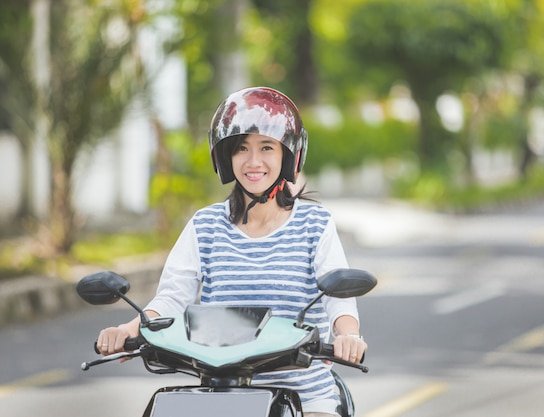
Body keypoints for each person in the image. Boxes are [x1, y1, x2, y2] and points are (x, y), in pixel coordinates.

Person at [96, 86, 367, 417]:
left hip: (304, 399)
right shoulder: (205, 225)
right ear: (227, 157)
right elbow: (170, 298)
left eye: (267, 147)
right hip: (220, 397)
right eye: (241, 149)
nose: (253, 162)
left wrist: (347, 334)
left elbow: (337, 295)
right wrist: (129, 329)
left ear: (288, 155)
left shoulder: (314, 223)